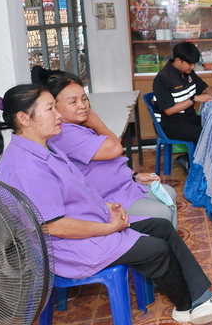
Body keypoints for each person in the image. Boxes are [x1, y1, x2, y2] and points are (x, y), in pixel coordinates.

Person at [0, 85, 212, 324]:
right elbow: (53, 226)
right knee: (157, 249)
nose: (57, 115)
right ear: (24, 119)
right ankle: (186, 307)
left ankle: (200, 296)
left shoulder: (42, 148)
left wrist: (106, 206)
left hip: (86, 224)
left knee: (162, 227)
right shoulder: (27, 166)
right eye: (50, 109)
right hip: (67, 246)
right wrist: (109, 228)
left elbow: (76, 191)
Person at [48, 76, 178, 228]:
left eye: (84, 99)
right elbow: (115, 149)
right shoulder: (64, 135)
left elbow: (107, 165)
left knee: (169, 193)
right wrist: (97, 123)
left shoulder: (78, 126)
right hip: (106, 198)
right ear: (54, 107)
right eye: (73, 102)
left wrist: (134, 175)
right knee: (162, 212)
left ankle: (170, 241)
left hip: (122, 187)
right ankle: (161, 241)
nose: (83, 106)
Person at [152, 42, 212, 145]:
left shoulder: (188, 72)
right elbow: (169, 110)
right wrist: (195, 99)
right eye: (190, 64)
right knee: (207, 134)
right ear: (178, 60)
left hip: (189, 118)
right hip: (169, 123)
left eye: (194, 64)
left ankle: (201, 154)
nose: (193, 67)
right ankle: (197, 155)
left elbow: (205, 88)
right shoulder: (162, 79)